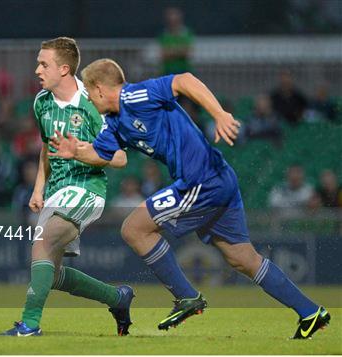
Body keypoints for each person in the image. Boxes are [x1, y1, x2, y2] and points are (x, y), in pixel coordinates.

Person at [49, 58, 330, 339]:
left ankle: (186, 296)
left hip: (202, 181)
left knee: (134, 228)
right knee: (242, 258)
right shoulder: (113, 123)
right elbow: (108, 157)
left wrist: (219, 114)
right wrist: (76, 152)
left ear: (99, 88)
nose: (87, 99)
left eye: (87, 91)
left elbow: (184, 80)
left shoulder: (135, 95)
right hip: (217, 179)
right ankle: (309, 312)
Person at [0, 38, 134, 337]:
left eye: (43, 64)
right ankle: (118, 298)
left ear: (64, 68)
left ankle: (29, 325)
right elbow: (47, 148)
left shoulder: (91, 102)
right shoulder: (41, 102)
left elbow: (121, 157)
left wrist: (83, 153)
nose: (37, 70)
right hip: (56, 191)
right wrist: (38, 189)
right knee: (53, 274)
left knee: (42, 242)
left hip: (87, 188)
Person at [157, 7, 194, 75]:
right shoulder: (164, 34)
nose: (173, 23)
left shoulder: (186, 33)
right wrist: (179, 51)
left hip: (184, 70)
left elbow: (187, 53)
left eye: (175, 20)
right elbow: (163, 54)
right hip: (168, 71)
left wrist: (171, 52)